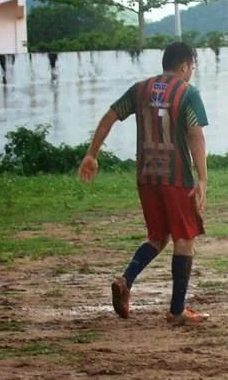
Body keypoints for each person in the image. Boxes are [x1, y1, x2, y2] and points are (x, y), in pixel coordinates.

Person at [78, 42, 209, 325]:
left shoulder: (140, 89)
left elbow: (110, 116)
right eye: (192, 67)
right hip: (176, 177)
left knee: (158, 236)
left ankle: (126, 280)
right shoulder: (188, 93)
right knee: (184, 239)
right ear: (185, 66)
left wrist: (92, 154)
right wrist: (202, 178)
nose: (192, 72)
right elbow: (196, 135)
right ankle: (177, 310)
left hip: (146, 176)